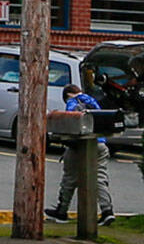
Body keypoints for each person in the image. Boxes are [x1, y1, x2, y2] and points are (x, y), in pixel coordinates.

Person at [45, 83, 114, 224]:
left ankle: (61, 211)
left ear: (67, 95)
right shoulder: (93, 101)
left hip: (79, 146)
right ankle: (107, 211)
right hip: (100, 144)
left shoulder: (73, 102)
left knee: (70, 177)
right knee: (99, 177)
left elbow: (72, 121)